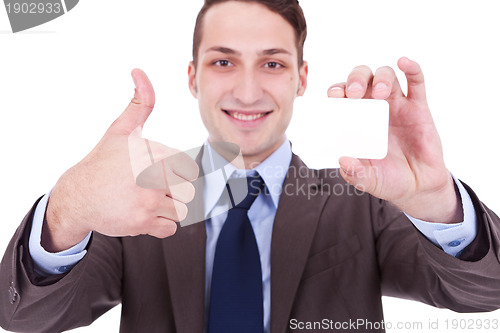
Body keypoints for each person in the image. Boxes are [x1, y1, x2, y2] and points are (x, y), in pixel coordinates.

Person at [1, 0, 500, 332]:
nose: (246, 90)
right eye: (223, 62)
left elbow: (485, 292)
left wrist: (433, 196)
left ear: (302, 79)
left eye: (273, 63)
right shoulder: (136, 199)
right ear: (192, 77)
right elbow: (23, 315)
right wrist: (69, 206)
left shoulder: (363, 201)